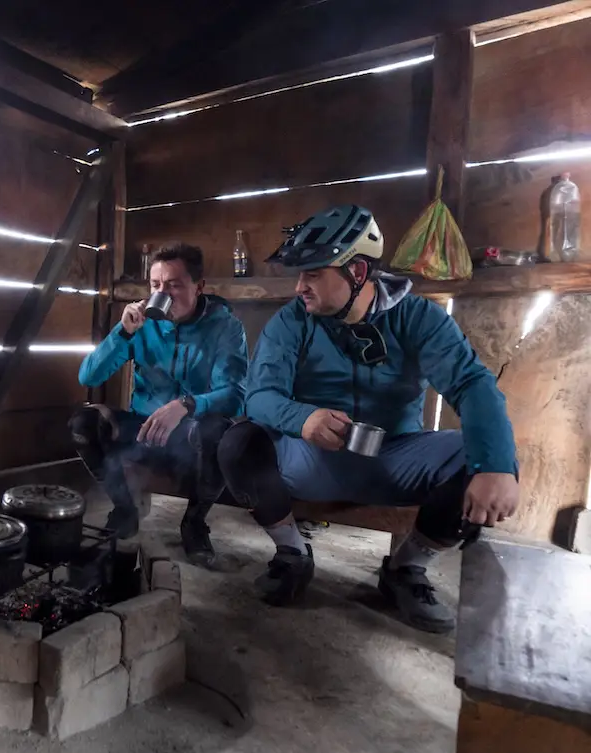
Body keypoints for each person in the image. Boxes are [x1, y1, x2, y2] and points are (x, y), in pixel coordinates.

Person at [216, 205, 518, 633]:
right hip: (311, 458)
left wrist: (496, 466)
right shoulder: (292, 321)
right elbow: (260, 396)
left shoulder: (419, 318)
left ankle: (405, 569)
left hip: (395, 459)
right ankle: (292, 555)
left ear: (357, 271)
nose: (300, 286)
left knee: (484, 456)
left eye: (313, 274)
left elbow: (472, 385)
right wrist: (303, 418)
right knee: (237, 443)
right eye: (299, 275)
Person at [71, 242, 248, 562]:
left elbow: (234, 394)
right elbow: (89, 377)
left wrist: (187, 405)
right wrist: (122, 333)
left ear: (199, 286)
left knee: (219, 430)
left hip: (190, 435)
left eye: (174, 285)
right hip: (143, 428)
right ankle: (125, 510)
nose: (163, 293)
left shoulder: (225, 326)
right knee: (84, 424)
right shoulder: (140, 323)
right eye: (155, 285)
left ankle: (194, 523)